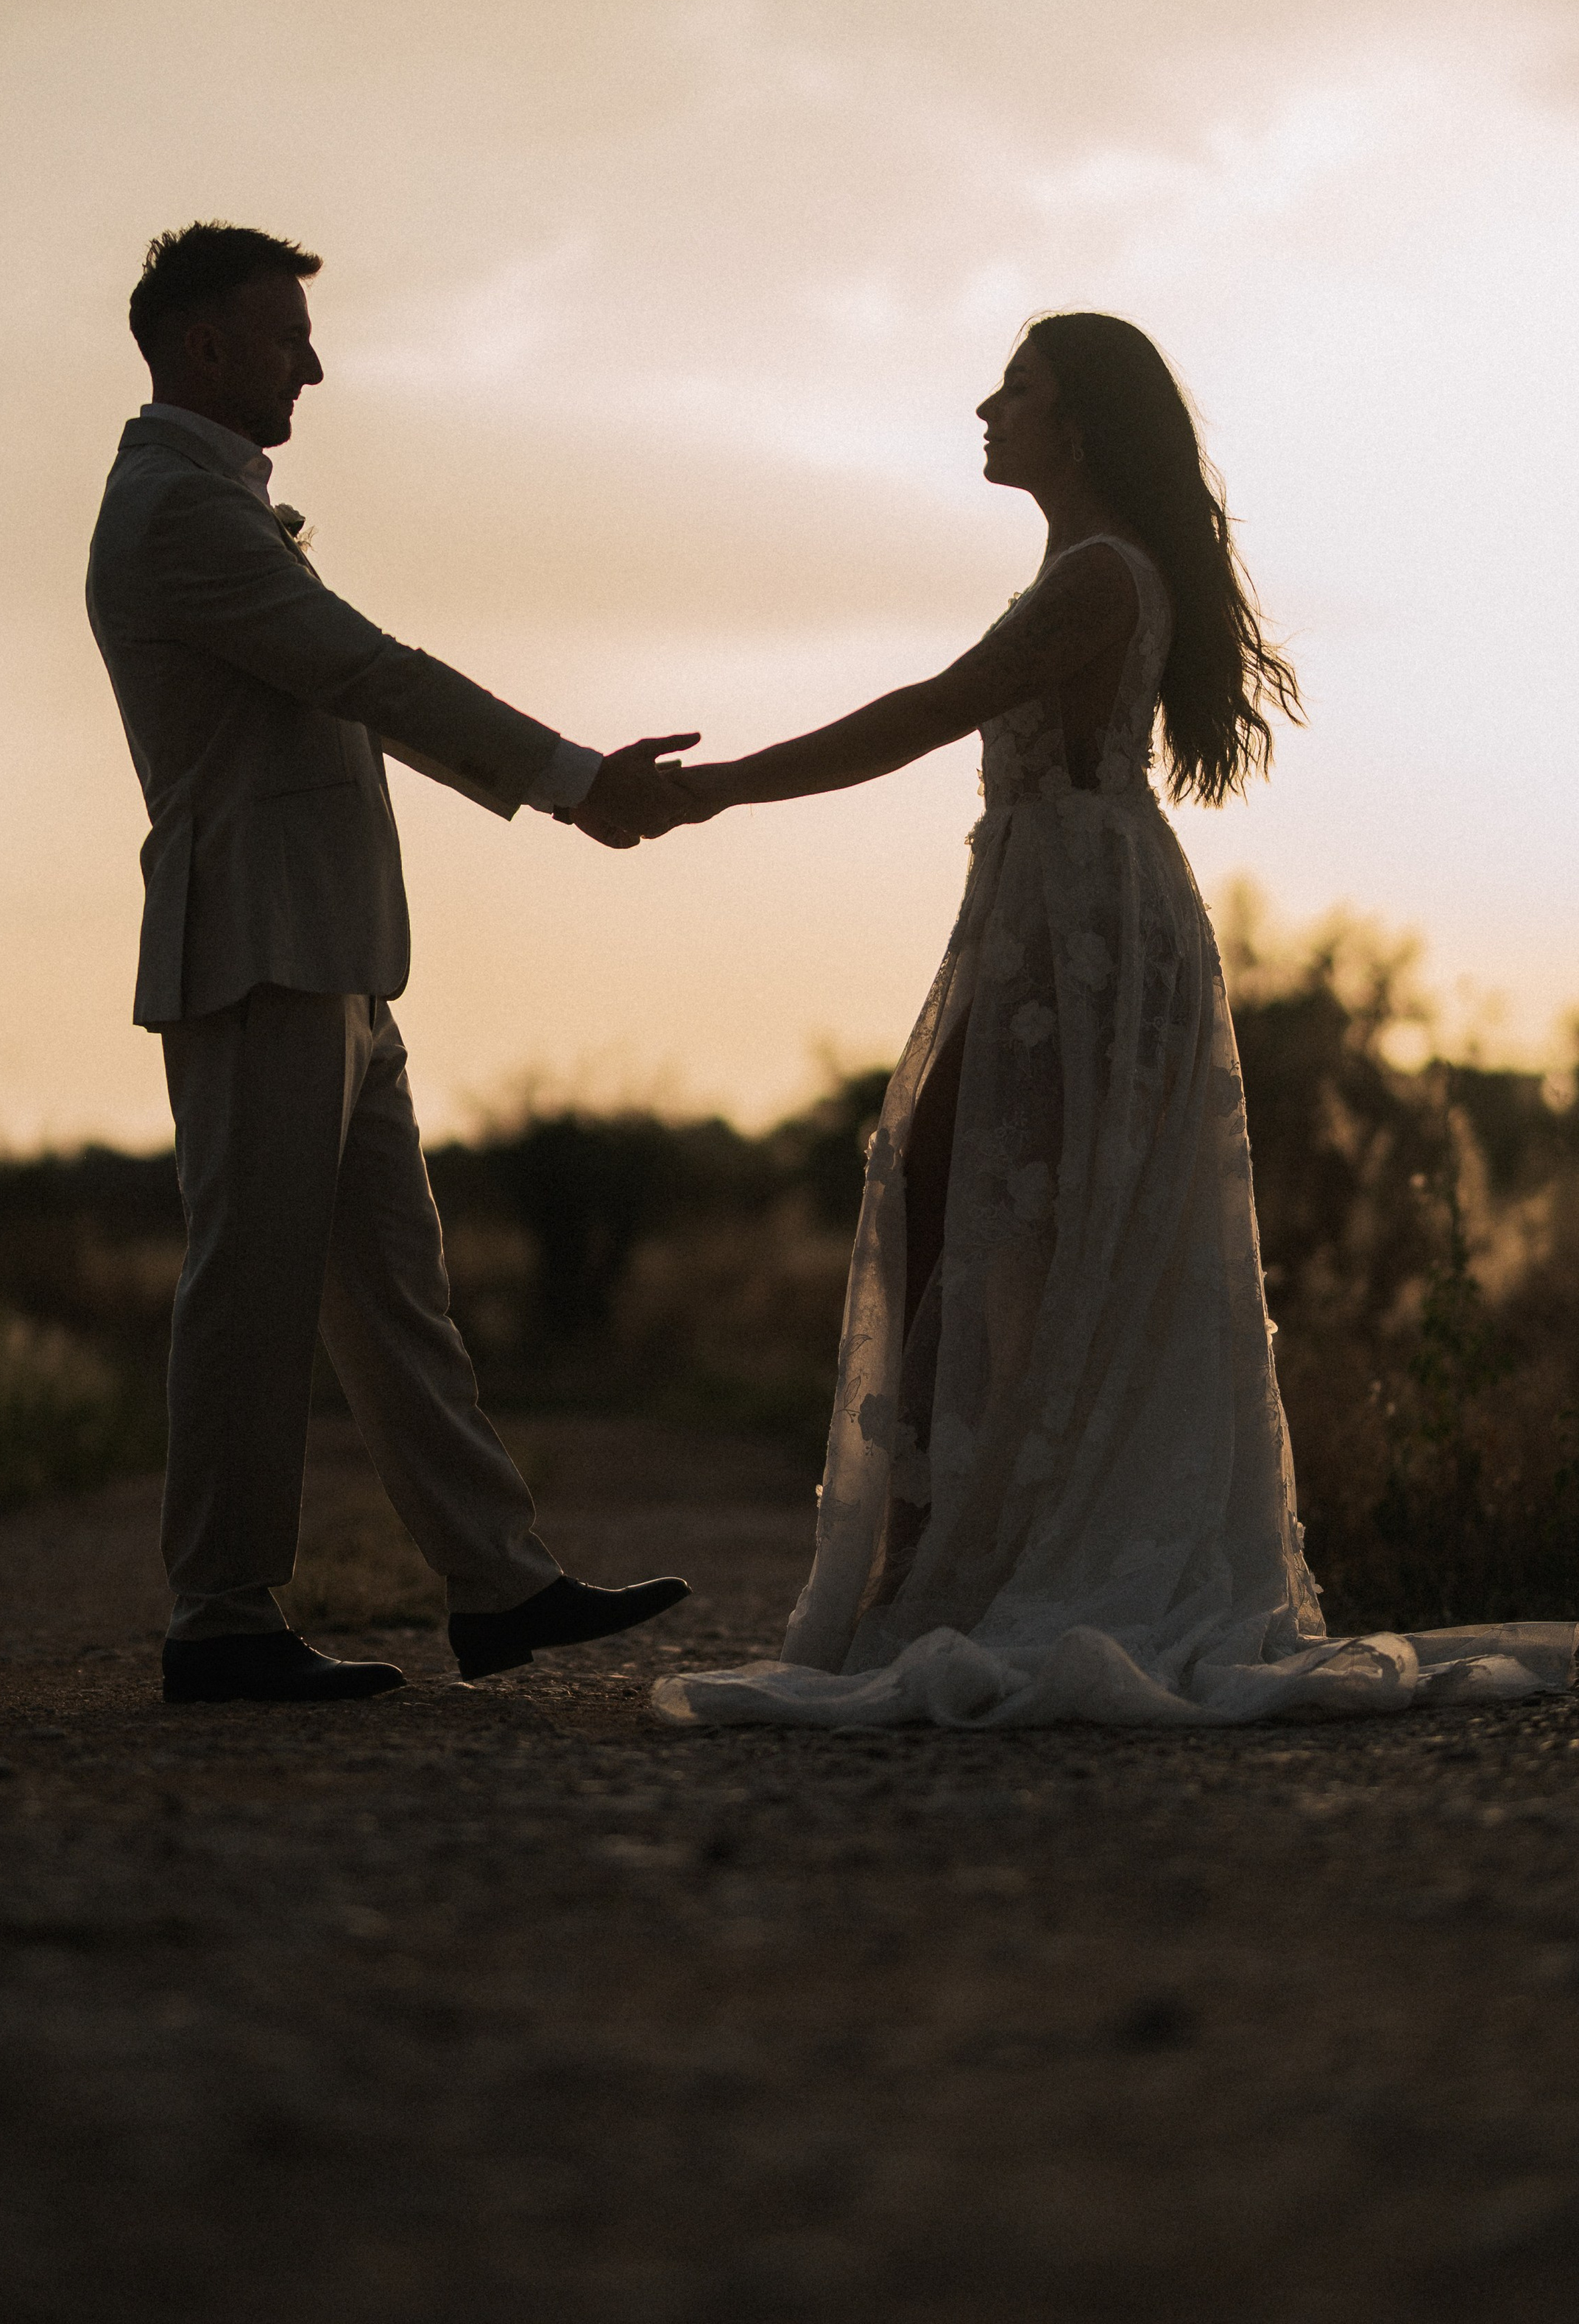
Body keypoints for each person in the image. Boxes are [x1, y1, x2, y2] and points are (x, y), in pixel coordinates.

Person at [654, 313, 1575, 1729]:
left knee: (983, 1209)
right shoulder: (1086, 568)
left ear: (1074, 422)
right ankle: (958, 1549)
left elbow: (923, 712)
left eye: (1013, 388)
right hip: (1054, 911)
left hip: (1081, 927)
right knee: (979, 1209)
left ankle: (951, 1561)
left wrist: (722, 789)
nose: (986, 405)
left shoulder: (1096, 577)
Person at [88, 222, 695, 1704]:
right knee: (252, 1288)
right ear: (204, 347)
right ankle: (218, 1617)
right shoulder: (177, 510)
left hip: (332, 955)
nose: (315, 360)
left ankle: (495, 1584)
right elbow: (367, 674)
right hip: (259, 949)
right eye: (287, 334)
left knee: (390, 1291)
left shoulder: (211, 501)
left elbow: (358, 699)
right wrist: (570, 780)